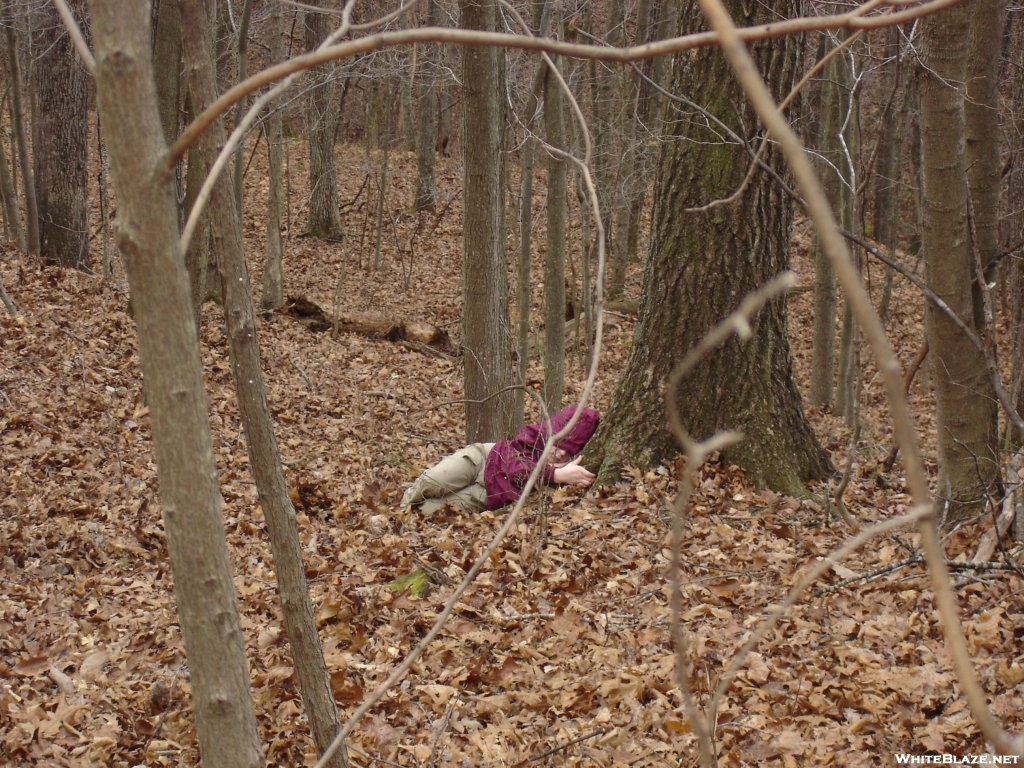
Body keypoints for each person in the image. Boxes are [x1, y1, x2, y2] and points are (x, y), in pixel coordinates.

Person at [401, 405, 600, 513]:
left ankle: (404, 516)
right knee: (432, 481)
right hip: (484, 459)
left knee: (427, 511)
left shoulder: (570, 466)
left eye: (568, 451)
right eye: (560, 444)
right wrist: (555, 474)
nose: (560, 453)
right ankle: (399, 510)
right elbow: (515, 466)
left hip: (487, 494)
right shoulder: (534, 436)